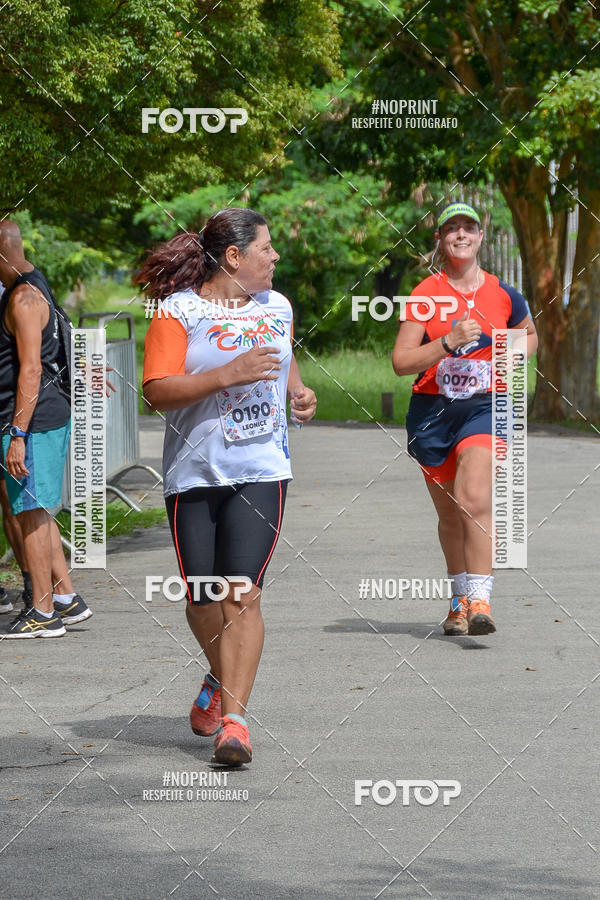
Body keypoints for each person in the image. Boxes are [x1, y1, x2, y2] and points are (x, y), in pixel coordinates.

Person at [141, 208, 317, 765]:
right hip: (194, 474)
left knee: (242, 590)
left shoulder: (278, 306)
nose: (276, 257)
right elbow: (156, 391)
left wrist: (299, 389)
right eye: (267, 248)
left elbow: (282, 358)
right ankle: (221, 675)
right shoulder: (180, 311)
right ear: (235, 257)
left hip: (262, 469)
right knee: (203, 596)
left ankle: (235, 724)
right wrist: (227, 374)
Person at [392, 202, 538, 636]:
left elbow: (529, 335)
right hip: (432, 413)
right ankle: (457, 602)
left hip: (485, 407)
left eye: (468, 227)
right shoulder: (424, 294)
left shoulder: (503, 293)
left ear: (479, 236)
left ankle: (480, 601)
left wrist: (508, 356)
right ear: (440, 239)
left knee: (473, 499)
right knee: (451, 515)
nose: (460, 234)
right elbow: (401, 362)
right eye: (451, 228)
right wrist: (448, 341)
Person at [0, 221, 92, 638]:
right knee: (35, 511)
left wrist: (17, 434)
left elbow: (32, 368)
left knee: (32, 514)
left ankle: (41, 612)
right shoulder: (35, 283)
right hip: (41, 417)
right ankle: (64, 598)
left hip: (32, 421)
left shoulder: (22, 297)